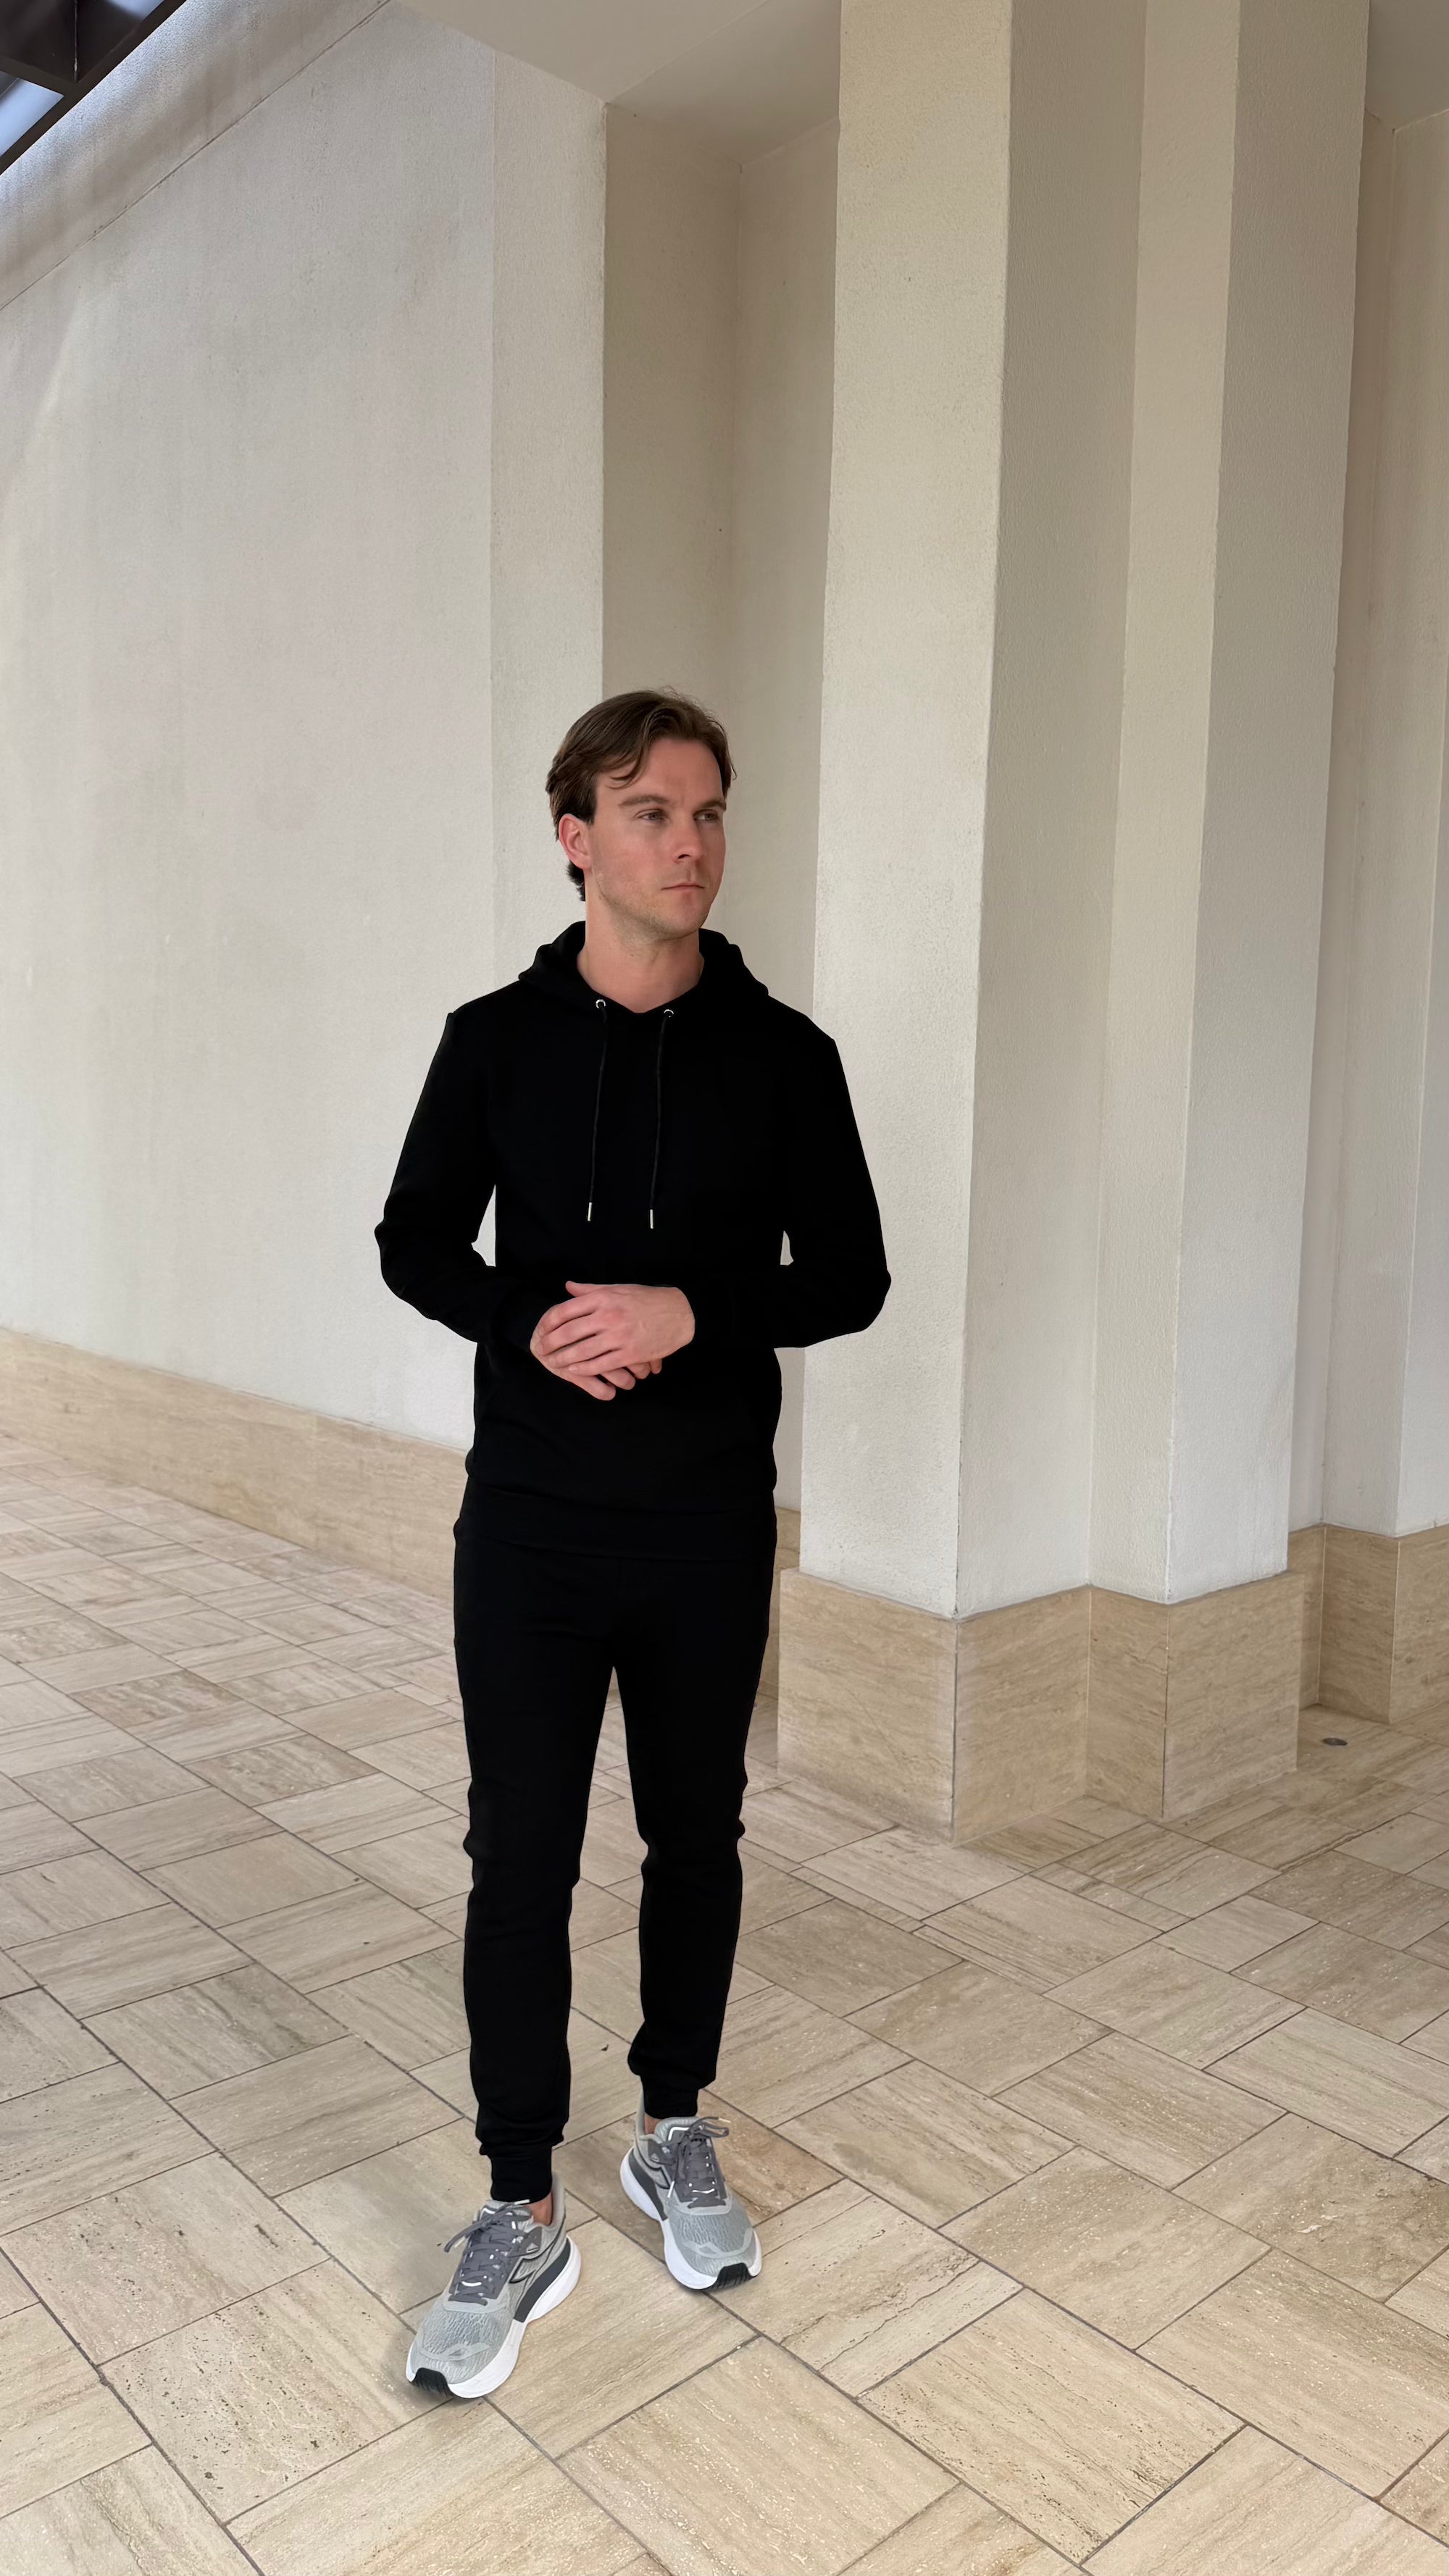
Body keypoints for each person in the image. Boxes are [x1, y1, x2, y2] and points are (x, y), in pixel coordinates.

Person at [375, 687, 890, 2400]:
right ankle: (520, 2197)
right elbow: (415, 1239)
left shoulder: (788, 1056)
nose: (692, 841)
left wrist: (691, 1307)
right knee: (519, 1853)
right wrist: (526, 1318)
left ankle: (673, 2120)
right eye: (654, 809)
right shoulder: (491, 1040)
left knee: (696, 1831)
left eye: (710, 809)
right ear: (576, 834)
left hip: (700, 1525)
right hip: (529, 1523)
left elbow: (850, 1275)